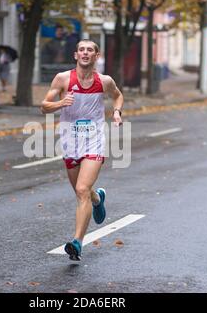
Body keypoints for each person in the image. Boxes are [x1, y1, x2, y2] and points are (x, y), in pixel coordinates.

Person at [41, 39, 124, 261]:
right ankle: (98, 199)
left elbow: (117, 95)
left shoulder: (104, 81)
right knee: (83, 192)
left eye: (90, 50)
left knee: (81, 189)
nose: (85, 53)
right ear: (76, 55)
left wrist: (117, 112)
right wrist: (60, 103)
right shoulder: (63, 79)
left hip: (94, 140)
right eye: (81, 50)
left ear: (96, 56)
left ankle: (77, 242)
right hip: (70, 141)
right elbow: (44, 106)